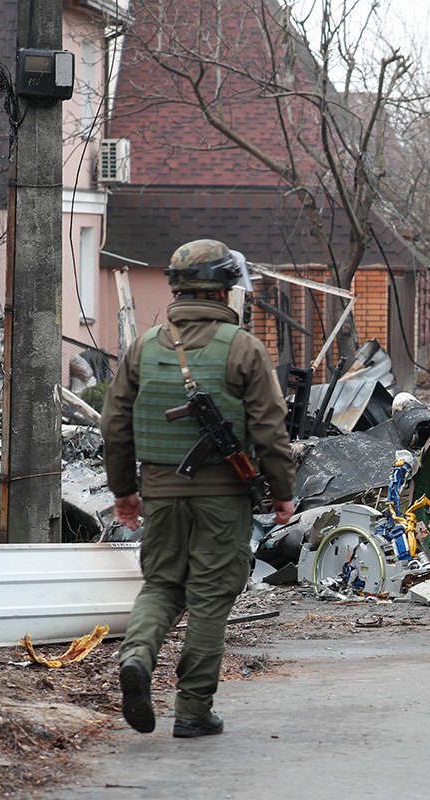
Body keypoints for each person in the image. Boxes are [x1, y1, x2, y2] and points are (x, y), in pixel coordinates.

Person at [100, 239, 296, 739]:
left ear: (178, 288)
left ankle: (138, 658)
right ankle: (191, 711)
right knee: (209, 596)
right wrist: (282, 492)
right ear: (225, 290)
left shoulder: (144, 346)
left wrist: (124, 491)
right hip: (224, 497)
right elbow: (271, 431)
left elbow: (115, 425)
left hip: (160, 493)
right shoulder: (244, 348)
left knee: (162, 585)